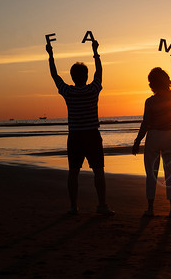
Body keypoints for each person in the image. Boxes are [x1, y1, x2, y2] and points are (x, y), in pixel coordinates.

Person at [46, 39, 114, 216]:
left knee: (73, 171)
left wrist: (51, 55)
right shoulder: (93, 89)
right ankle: (102, 205)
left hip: (75, 136)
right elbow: (99, 72)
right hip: (92, 135)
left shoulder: (68, 92)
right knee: (98, 170)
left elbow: (55, 76)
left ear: (73, 77)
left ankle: (73, 206)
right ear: (86, 75)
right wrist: (95, 52)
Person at [132, 52, 171, 218]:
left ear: (152, 83)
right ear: (166, 81)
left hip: (153, 136)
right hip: (169, 135)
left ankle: (151, 209)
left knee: (151, 173)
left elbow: (145, 123)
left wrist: (137, 140)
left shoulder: (150, 101)